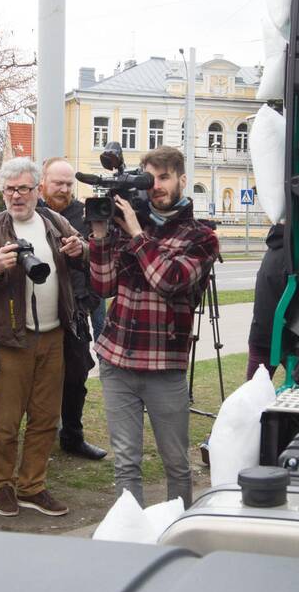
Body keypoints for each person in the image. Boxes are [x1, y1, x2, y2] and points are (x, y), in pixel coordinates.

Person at [88, 146, 218, 508]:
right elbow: (103, 286)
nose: (156, 186)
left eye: (163, 178)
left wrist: (135, 233)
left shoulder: (201, 237)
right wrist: (99, 235)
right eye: (150, 178)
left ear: (181, 180)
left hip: (164, 366)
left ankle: (179, 533)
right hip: (117, 361)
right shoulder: (130, 222)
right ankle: (130, 539)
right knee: (126, 464)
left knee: (176, 463)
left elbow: (169, 279)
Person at [0, 157, 87, 517]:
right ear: (2, 192)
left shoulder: (54, 222)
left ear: (36, 191)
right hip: (10, 340)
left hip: (54, 336)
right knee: (7, 421)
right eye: (11, 189)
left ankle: (32, 485)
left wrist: (81, 251)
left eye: (24, 189)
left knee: (46, 418)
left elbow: (85, 254)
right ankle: (3, 485)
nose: (17, 196)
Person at [38, 157, 107, 461]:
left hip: (76, 309)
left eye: (68, 183)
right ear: (43, 183)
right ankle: (38, 436)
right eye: (58, 183)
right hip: (38, 309)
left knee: (76, 376)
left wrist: (89, 300)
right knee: (38, 378)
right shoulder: (29, 212)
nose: (64, 188)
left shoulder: (85, 215)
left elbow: (101, 256)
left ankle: (73, 436)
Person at [247, 223, 287, 380]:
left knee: (253, 392)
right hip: (284, 334)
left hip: (261, 332)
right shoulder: (292, 254)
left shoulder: (274, 249)